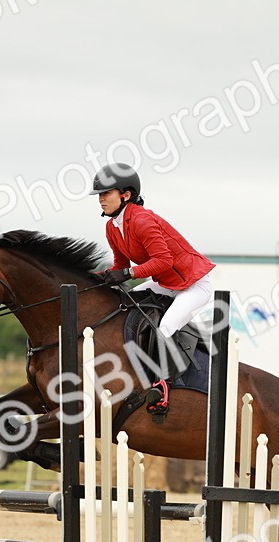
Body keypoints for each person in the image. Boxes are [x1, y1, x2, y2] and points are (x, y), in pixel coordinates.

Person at [91, 162, 215, 416]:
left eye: (106, 193)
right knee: (124, 306)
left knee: (165, 329)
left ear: (125, 195)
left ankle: (163, 386)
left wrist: (127, 274)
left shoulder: (143, 220)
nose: (101, 199)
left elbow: (163, 261)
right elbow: (120, 266)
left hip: (193, 286)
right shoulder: (112, 227)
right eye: (100, 195)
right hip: (166, 284)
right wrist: (93, 278)